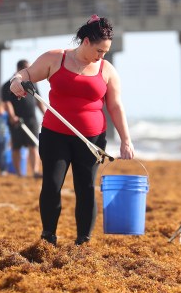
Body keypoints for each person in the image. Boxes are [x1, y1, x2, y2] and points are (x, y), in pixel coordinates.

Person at [9, 14, 135, 246]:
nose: (102, 56)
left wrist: (126, 140)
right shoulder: (56, 58)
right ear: (86, 41)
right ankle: (48, 237)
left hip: (92, 140)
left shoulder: (106, 70)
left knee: (86, 188)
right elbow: (26, 75)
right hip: (55, 136)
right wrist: (16, 80)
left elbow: (116, 106)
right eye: (99, 50)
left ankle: (83, 241)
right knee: (52, 185)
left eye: (105, 51)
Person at [1, 59, 46, 178]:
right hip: (16, 121)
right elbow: (7, 103)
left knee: (33, 145)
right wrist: (12, 116)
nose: (30, 71)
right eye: (27, 68)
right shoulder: (7, 85)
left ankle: (35, 171)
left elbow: (38, 100)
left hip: (31, 119)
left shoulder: (32, 83)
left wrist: (46, 114)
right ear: (20, 69)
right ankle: (19, 174)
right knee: (16, 147)